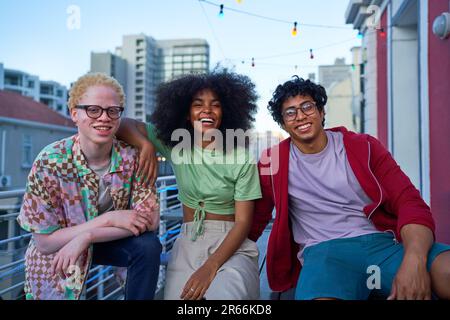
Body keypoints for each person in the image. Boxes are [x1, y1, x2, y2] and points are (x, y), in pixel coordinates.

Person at [249, 76, 450, 300]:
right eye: (290, 112)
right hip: (325, 254)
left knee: (446, 271)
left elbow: (409, 202)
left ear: (322, 111)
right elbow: (254, 218)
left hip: (382, 245)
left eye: (307, 106)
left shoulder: (363, 146)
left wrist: (414, 259)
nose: (300, 116)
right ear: (283, 123)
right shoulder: (272, 162)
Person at [116, 71, 262, 300]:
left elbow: (243, 223)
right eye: (198, 104)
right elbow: (122, 124)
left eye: (215, 105)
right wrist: (144, 144)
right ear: (186, 112)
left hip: (230, 243)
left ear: (226, 113)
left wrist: (210, 266)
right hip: (188, 241)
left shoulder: (241, 158)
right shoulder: (176, 146)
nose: (207, 110)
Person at [17, 73, 162, 300]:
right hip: (60, 246)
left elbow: (150, 219)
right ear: (74, 114)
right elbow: (44, 243)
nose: (104, 118)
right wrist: (108, 218)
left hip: (108, 239)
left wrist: (88, 236)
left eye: (112, 110)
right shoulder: (50, 161)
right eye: (93, 110)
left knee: (148, 246)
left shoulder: (132, 157)